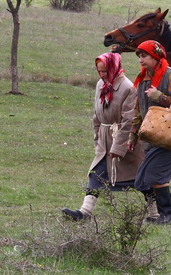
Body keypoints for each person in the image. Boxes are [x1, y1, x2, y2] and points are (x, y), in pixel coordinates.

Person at [62, 53, 146, 221]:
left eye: (105, 71)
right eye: (99, 71)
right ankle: (85, 212)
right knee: (96, 173)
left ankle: (154, 212)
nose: (101, 75)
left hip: (125, 141)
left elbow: (129, 120)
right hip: (105, 140)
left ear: (113, 68)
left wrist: (118, 147)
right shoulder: (101, 85)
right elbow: (96, 115)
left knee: (139, 177)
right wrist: (97, 138)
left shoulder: (128, 88)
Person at [128, 40, 171, 225]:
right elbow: (138, 110)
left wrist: (159, 97)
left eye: (144, 55)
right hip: (152, 136)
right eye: (139, 56)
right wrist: (133, 134)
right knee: (141, 181)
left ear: (156, 56)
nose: (141, 59)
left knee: (156, 176)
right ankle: (158, 214)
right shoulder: (142, 79)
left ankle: (167, 216)